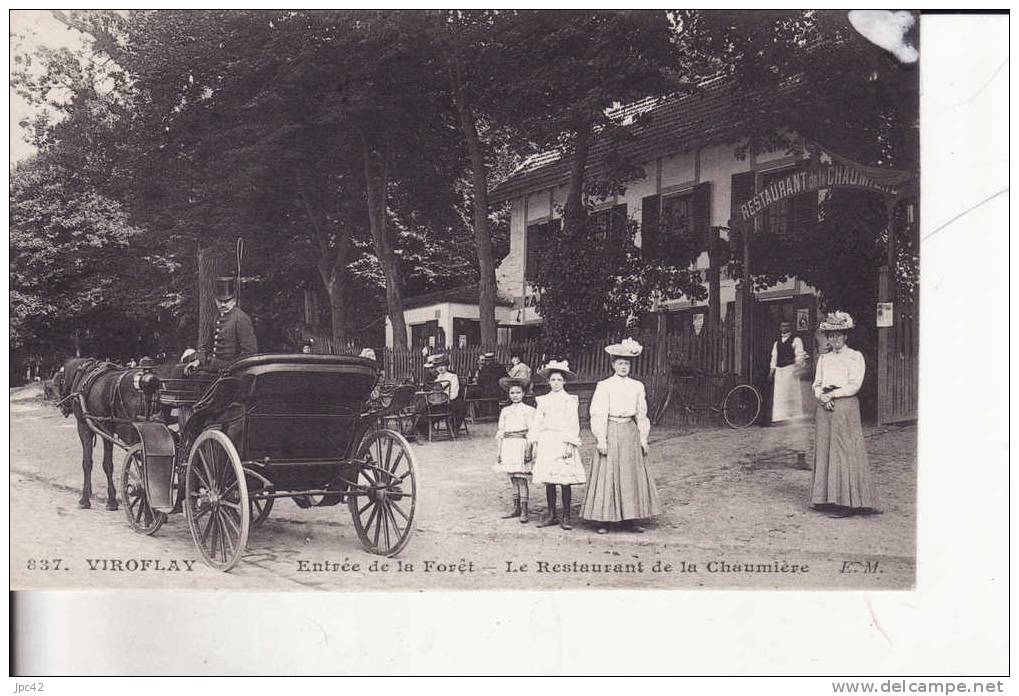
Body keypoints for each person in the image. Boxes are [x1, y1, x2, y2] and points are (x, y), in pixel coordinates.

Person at [581, 338, 662, 534]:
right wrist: (601, 438)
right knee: (608, 473)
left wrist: (643, 438)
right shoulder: (605, 385)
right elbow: (598, 412)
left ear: (630, 365)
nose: (623, 367)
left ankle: (630, 518)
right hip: (610, 429)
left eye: (626, 363)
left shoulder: (637, 386)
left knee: (629, 475)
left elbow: (642, 414)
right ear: (613, 365)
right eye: (620, 363)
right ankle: (604, 520)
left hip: (629, 431)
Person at [810, 311, 879, 518]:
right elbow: (817, 383)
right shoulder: (824, 359)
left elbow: (854, 385)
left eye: (839, 335)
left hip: (845, 407)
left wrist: (833, 394)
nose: (835, 339)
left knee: (845, 451)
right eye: (831, 336)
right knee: (825, 450)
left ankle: (848, 502)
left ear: (846, 336)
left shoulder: (855, 357)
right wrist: (822, 397)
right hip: (825, 408)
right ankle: (824, 497)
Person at [528, 360, 586, 530]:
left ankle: (566, 516)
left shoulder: (569, 400)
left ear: (564, 381)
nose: (556, 383)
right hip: (547, 440)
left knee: (564, 480)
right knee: (549, 479)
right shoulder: (544, 400)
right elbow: (537, 422)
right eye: (553, 380)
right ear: (548, 382)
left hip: (563, 440)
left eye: (559, 380)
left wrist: (570, 444)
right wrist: (535, 442)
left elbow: (573, 423)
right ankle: (552, 514)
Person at [187, 276, 257, 374]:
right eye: (220, 301)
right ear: (215, 300)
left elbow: (249, 352)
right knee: (182, 370)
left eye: (227, 301)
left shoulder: (241, 318)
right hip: (213, 367)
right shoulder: (217, 317)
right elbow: (207, 346)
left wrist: (230, 369)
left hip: (230, 371)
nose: (223, 305)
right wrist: (197, 361)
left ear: (234, 300)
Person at [493, 377, 536, 523]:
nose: (515, 395)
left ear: (523, 393)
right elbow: (501, 431)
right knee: (513, 479)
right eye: (512, 393)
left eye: (518, 392)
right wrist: (499, 452)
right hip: (508, 446)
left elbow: (532, 432)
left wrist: (529, 449)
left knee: (522, 479)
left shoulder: (529, 410)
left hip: (521, 445)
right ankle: (516, 508)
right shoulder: (505, 410)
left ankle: (524, 510)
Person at [769, 320, 809, 423]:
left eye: (786, 326)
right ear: (780, 328)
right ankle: (780, 417)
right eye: (782, 326)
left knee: (791, 392)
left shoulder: (796, 340)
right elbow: (774, 357)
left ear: (790, 327)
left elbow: (799, 354)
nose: (784, 328)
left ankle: (794, 416)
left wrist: (798, 366)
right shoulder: (777, 342)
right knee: (779, 394)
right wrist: (771, 371)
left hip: (790, 368)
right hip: (779, 370)